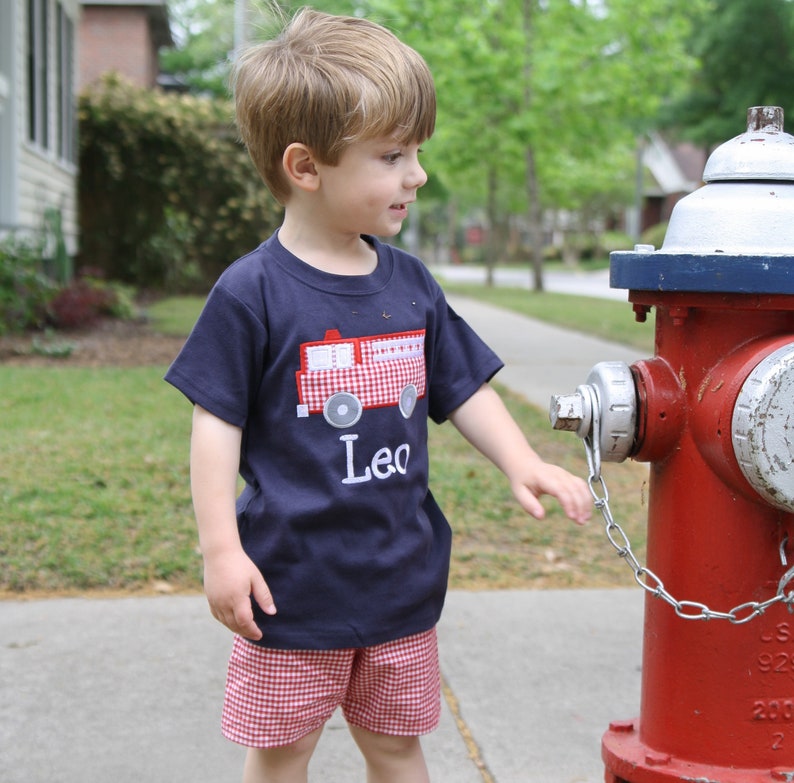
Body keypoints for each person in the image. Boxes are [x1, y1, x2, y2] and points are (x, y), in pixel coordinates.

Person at [165, 8, 591, 783]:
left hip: (400, 579)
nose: (417, 174)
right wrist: (222, 551)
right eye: (393, 155)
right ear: (306, 166)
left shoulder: (411, 284)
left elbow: (462, 387)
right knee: (283, 750)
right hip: (289, 586)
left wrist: (522, 461)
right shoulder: (250, 294)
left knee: (396, 746)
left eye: (417, 152)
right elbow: (214, 425)